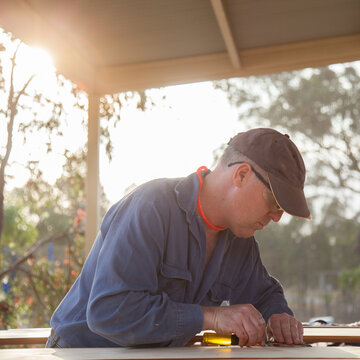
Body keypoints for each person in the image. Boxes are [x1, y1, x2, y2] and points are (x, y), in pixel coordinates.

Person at [47, 128, 311, 348]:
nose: (277, 217)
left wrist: (279, 317)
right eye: (274, 202)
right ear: (241, 174)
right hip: (81, 353)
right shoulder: (150, 208)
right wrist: (211, 317)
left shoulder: (241, 242)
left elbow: (265, 294)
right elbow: (109, 312)